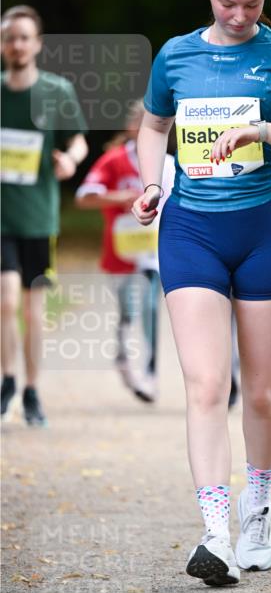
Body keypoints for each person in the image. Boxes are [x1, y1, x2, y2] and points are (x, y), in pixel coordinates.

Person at [132, 0, 271, 587]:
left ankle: (259, 512)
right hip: (191, 228)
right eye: (228, 2)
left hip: (268, 230)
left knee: (261, 389)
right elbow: (151, 127)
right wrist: (151, 184)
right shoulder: (176, 54)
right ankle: (215, 533)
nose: (239, 16)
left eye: (251, 4)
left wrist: (264, 131)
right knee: (202, 385)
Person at [1, 5, 88, 426]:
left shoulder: (56, 91)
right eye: (9, 37)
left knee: (34, 309)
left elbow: (77, 143)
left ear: (37, 44)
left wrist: (69, 161)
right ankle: (7, 381)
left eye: (23, 37)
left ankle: (32, 390)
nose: (16, 44)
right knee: (5, 301)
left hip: (38, 218)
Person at [75, 100, 175, 403]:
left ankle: (150, 373)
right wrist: (123, 196)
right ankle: (123, 357)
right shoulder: (114, 160)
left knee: (151, 308)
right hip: (121, 253)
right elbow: (84, 198)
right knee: (129, 312)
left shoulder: (170, 164)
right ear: (131, 126)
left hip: (155, 253)